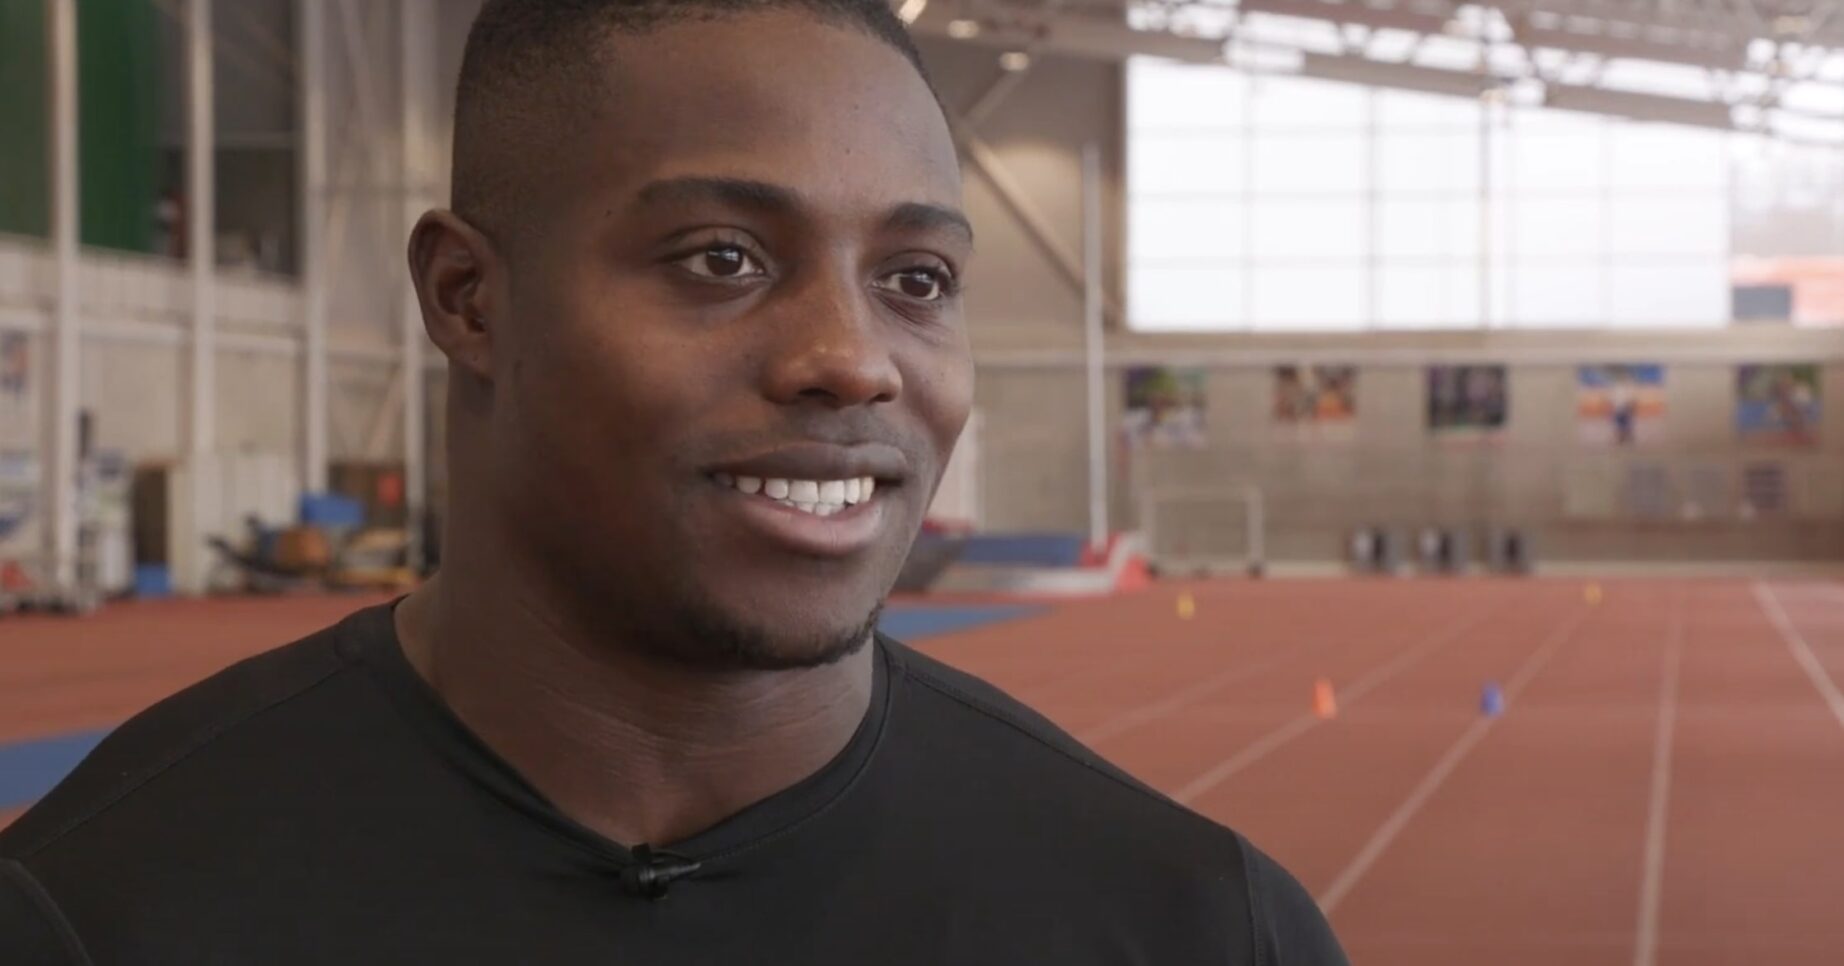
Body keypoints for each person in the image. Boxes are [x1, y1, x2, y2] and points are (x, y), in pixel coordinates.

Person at [0, 2, 1346, 962]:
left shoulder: (1192, 922)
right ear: (468, 297)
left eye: (916, 279)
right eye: (721, 257)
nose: (852, 360)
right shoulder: (97, 907)